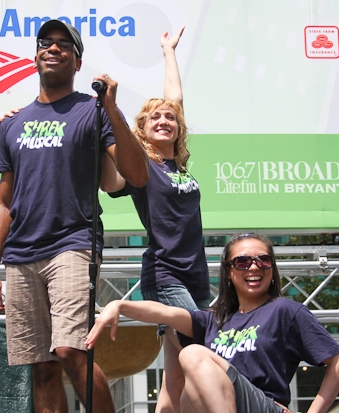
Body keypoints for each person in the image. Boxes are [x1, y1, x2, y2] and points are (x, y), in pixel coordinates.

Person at [0, 19, 149, 413]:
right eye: (46, 43)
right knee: (41, 367)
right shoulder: (12, 123)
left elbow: (138, 175)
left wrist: (111, 108)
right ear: (36, 56)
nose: (53, 49)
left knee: (71, 349)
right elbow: (4, 201)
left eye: (64, 45)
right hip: (21, 254)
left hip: (72, 244)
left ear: (77, 64)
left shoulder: (92, 111)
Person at [86, 233, 339, 413]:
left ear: (272, 268)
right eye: (243, 262)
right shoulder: (214, 319)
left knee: (191, 353)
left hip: (265, 405)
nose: (254, 268)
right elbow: (163, 313)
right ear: (228, 272)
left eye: (263, 260)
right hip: (224, 404)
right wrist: (118, 305)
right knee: (189, 389)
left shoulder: (285, 310)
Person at [99, 27, 210, 413]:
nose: (164, 119)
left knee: (175, 373)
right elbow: (108, 180)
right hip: (166, 275)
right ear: (142, 131)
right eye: (155, 118)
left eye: (170, 118)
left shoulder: (178, 163)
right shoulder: (140, 165)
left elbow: (175, 99)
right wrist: (104, 123)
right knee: (202, 347)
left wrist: (168, 51)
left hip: (197, 272)